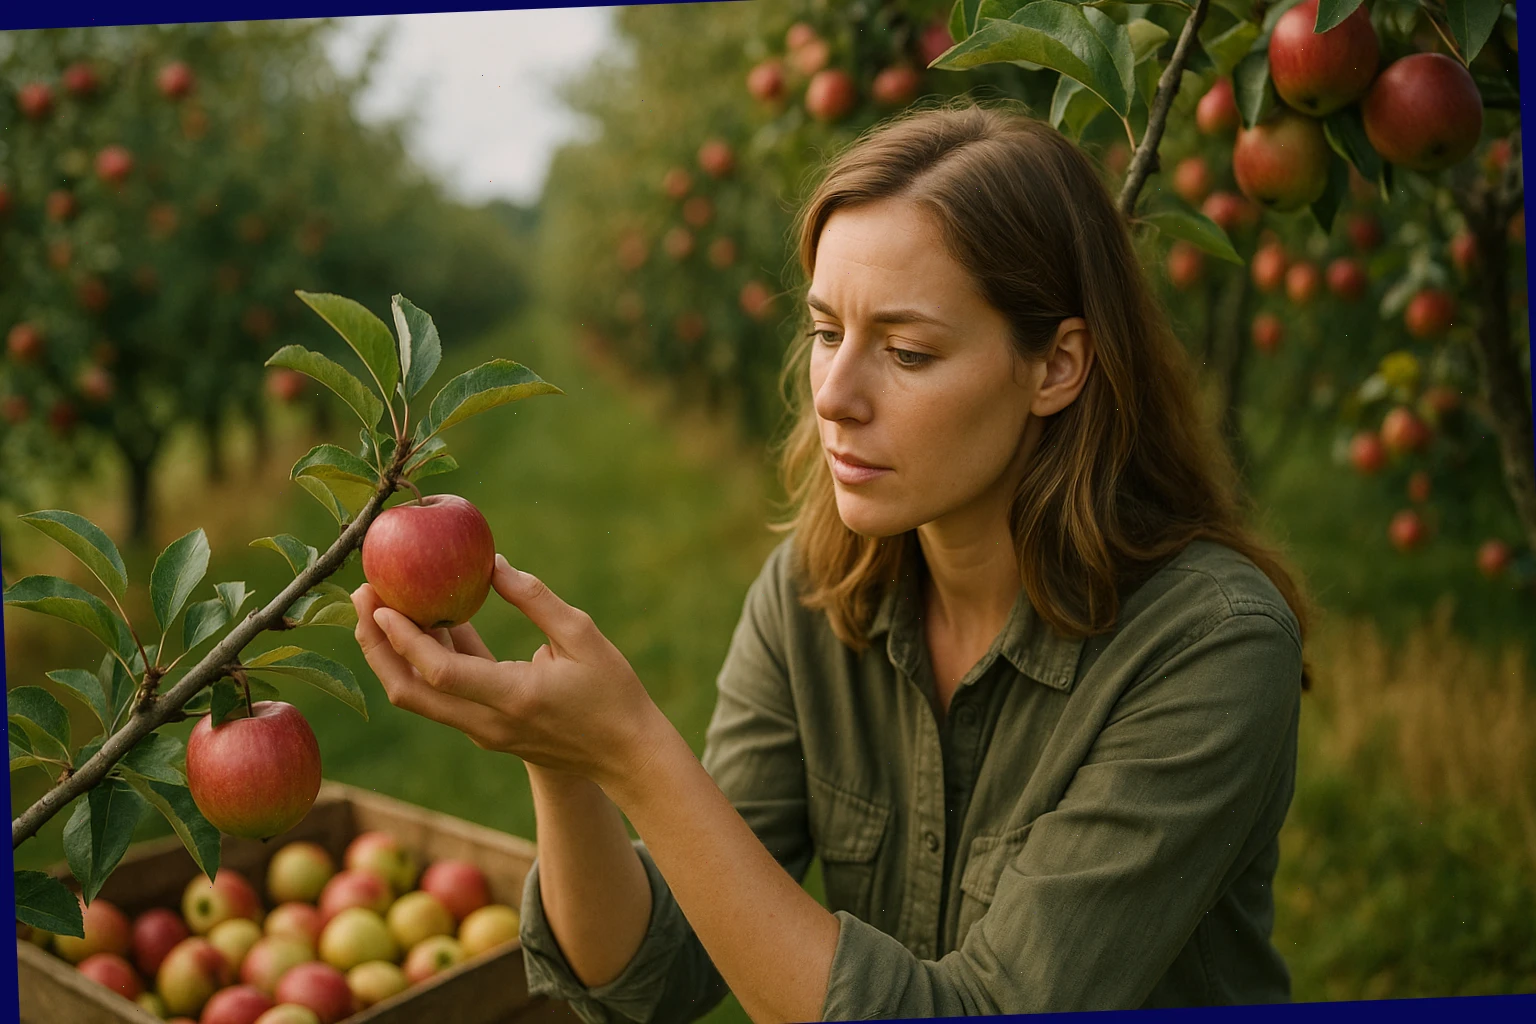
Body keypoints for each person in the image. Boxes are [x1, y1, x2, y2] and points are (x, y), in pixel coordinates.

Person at [350, 100, 1313, 1021]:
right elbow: (648, 974)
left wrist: (636, 754)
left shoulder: (1208, 650)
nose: (836, 395)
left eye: (907, 352)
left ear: (1056, 366)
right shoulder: (820, 593)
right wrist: (560, 761)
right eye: (825, 332)